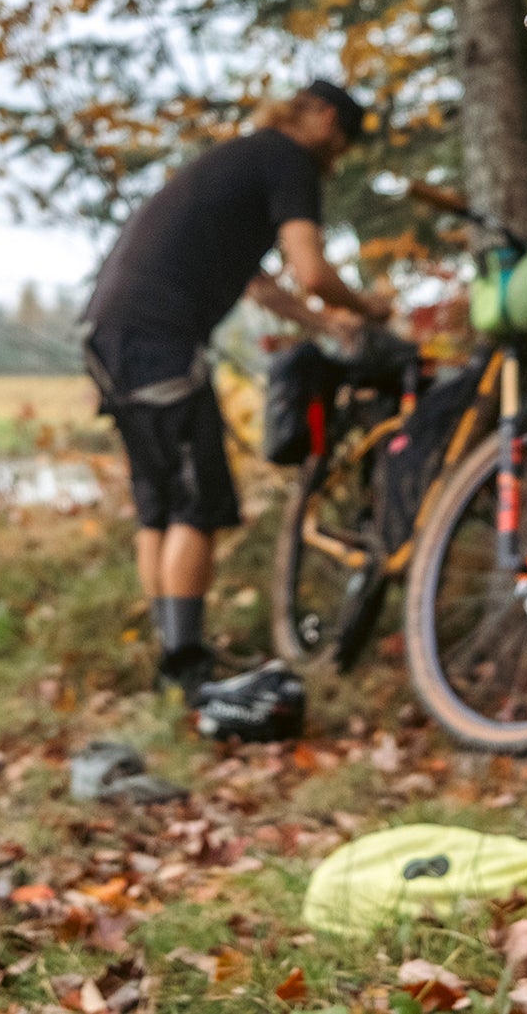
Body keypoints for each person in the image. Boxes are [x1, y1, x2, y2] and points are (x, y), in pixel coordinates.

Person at [80, 80, 391, 702]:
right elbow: (310, 272)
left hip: (108, 332)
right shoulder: (288, 158)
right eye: (343, 139)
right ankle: (188, 667)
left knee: (161, 505)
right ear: (326, 118)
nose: (337, 155)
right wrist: (369, 307)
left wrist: (326, 324)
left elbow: (267, 289)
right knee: (201, 503)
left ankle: (175, 662)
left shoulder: (242, 162)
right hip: (156, 341)